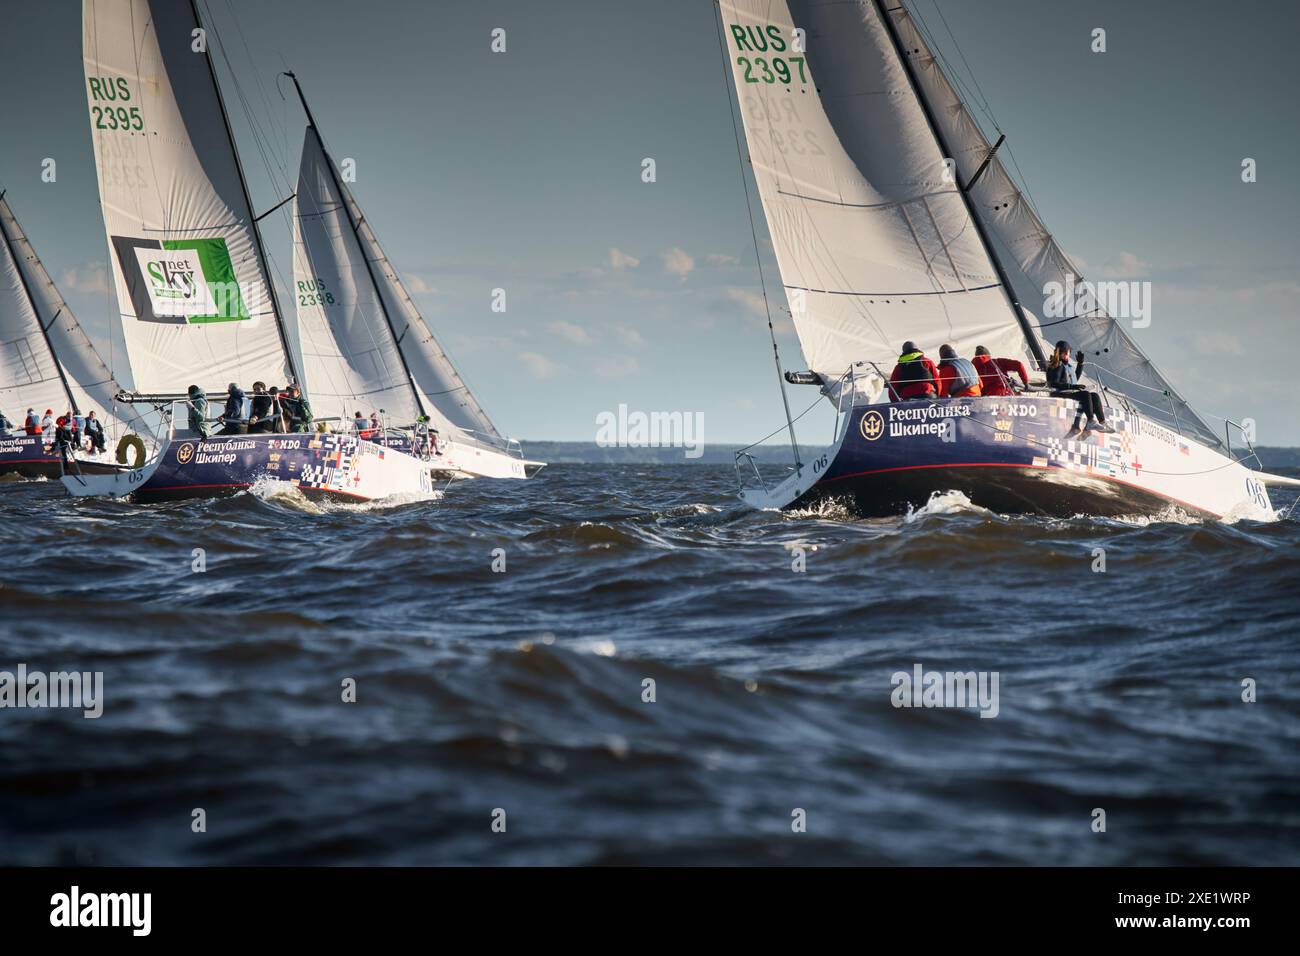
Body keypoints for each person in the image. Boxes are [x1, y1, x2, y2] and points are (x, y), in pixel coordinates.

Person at [1047, 339, 1113, 436]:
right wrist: (1072, 386)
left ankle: (1102, 422)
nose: (1069, 355)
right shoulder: (1058, 365)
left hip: (1068, 392)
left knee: (1094, 395)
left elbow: (1074, 378)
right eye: (1069, 352)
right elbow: (1054, 383)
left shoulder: (1066, 366)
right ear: (1065, 352)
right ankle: (1090, 421)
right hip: (1059, 394)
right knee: (1085, 394)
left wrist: (1080, 364)